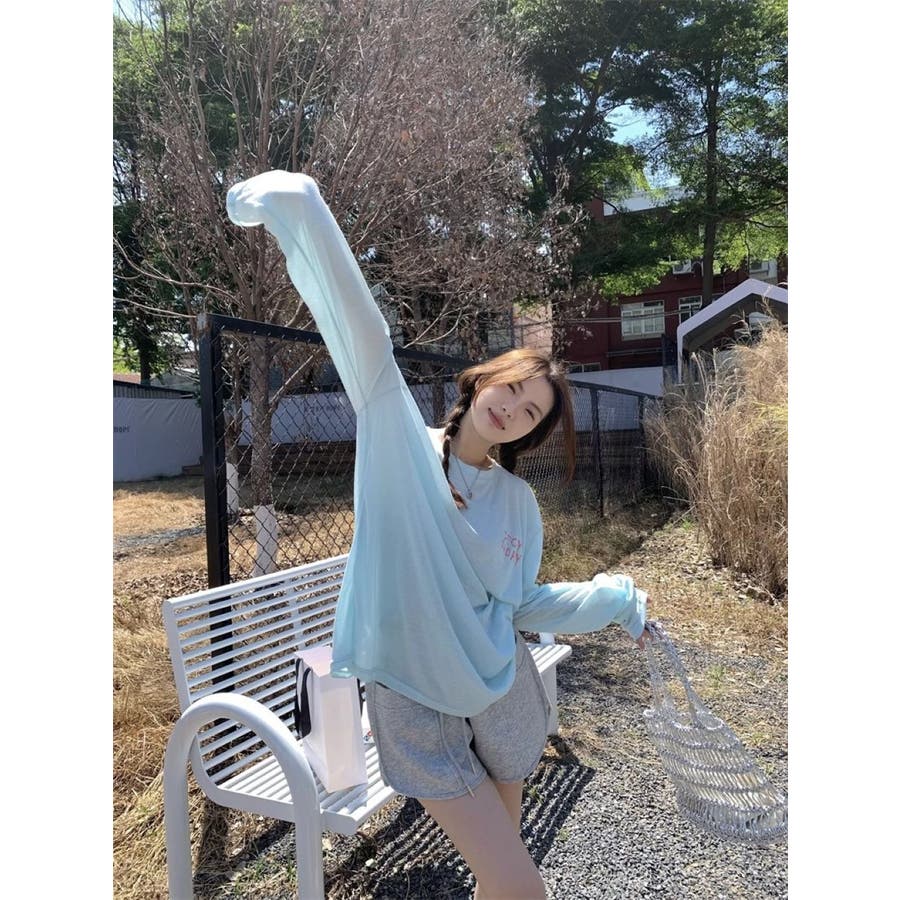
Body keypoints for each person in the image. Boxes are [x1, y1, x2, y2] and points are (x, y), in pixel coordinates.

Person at [226, 170, 651, 900]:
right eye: (511, 387)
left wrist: (613, 599)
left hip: (499, 688)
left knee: (500, 880)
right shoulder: (400, 440)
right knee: (522, 886)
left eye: (530, 413)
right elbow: (365, 338)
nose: (512, 408)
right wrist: (306, 209)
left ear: (529, 435)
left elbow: (521, 604)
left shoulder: (517, 502)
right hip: (414, 692)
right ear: (484, 378)